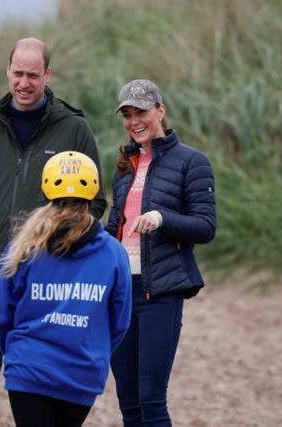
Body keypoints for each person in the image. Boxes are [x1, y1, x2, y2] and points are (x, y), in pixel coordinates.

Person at [0, 37, 107, 427]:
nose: (24, 82)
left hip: (43, 282)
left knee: (39, 385)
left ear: (47, 75)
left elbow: (95, 202)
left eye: (33, 74)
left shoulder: (75, 130)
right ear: (7, 71)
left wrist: (58, 248)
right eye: (18, 73)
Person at [0, 151, 132, 427]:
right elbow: (120, 321)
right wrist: (94, 348)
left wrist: (17, 354)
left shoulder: (23, 246)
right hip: (82, 372)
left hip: (29, 369)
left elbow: (1, 315)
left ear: (46, 188)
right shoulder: (114, 253)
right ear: (93, 191)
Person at [106, 79, 216, 426]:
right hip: (122, 293)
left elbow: (205, 226)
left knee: (151, 401)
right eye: (127, 114)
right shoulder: (124, 165)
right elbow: (114, 229)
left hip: (161, 292)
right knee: (129, 405)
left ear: (161, 111)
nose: (134, 121)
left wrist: (162, 218)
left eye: (141, 111)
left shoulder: (192, 162)